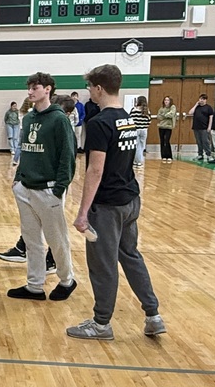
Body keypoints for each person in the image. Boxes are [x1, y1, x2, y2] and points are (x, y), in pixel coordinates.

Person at [67, 64, 166, 341]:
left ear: (99, 88)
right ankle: (153, 315)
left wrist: (83, 212)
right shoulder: (128, 119)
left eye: (90, 87)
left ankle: (101, 324)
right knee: (131, 256)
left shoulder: (99, 123)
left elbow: (95, 170)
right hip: (130, 200)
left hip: (108, 206)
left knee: (103, 265)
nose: (89, 92)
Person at [6, 72, 77, 302]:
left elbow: (68, 156)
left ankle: (67, 280)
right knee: (31, 240)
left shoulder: (59, 119)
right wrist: (18, 179)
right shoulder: (27, 119)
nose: (30, 92)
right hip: (25, 187)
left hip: (49, 189)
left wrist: (60, 188)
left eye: (34, 87)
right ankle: (34, 286)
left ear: (47, 89)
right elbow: (25, 151)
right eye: (29, 88)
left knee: (57, 240)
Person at [188, 94, 214, 161]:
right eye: (200, 99)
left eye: (203, 99)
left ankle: (209, 155)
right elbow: (190, 112)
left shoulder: (208, 108)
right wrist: (196, 105)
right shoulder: (197, 107)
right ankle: (200, 154)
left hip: (204, 127)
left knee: (205, 141)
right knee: (198, 141)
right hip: (196, 127)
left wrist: (209, 127)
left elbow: (211, 118)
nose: (201, 100)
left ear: (206, 100)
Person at [130, 96, 150, 168]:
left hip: (136, 129)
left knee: (137, 146)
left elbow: (131, 119)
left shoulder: (134, 110)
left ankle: (138, 161)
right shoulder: (147, 111)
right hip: (144, 130)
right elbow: (149, 121)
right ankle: (138, 160)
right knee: (142, 146)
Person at [157, 96, 177, 163]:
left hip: (168, 126)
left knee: (166, 140)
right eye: (165, 100)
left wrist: (164, 115)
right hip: (161, 126)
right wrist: (164, 115)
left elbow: (171, 114)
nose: (166, 101)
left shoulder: (173, 107)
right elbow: (159, 116)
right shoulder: (161, 108)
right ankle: (163, 156)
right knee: (162, 141)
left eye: (167, 100)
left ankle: (169, 156)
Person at [4, 101, 21, 166]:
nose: (14, 107)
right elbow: (5, 119)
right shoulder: (8, 112)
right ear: (11, 106)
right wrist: (8, 123)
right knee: (10, 137)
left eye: (15, 106)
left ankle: (16, 148)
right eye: (13, 106)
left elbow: (19, 118)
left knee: (15, 137)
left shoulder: (17, 112)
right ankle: (12, 149)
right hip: (9, 124)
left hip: (16, 125)